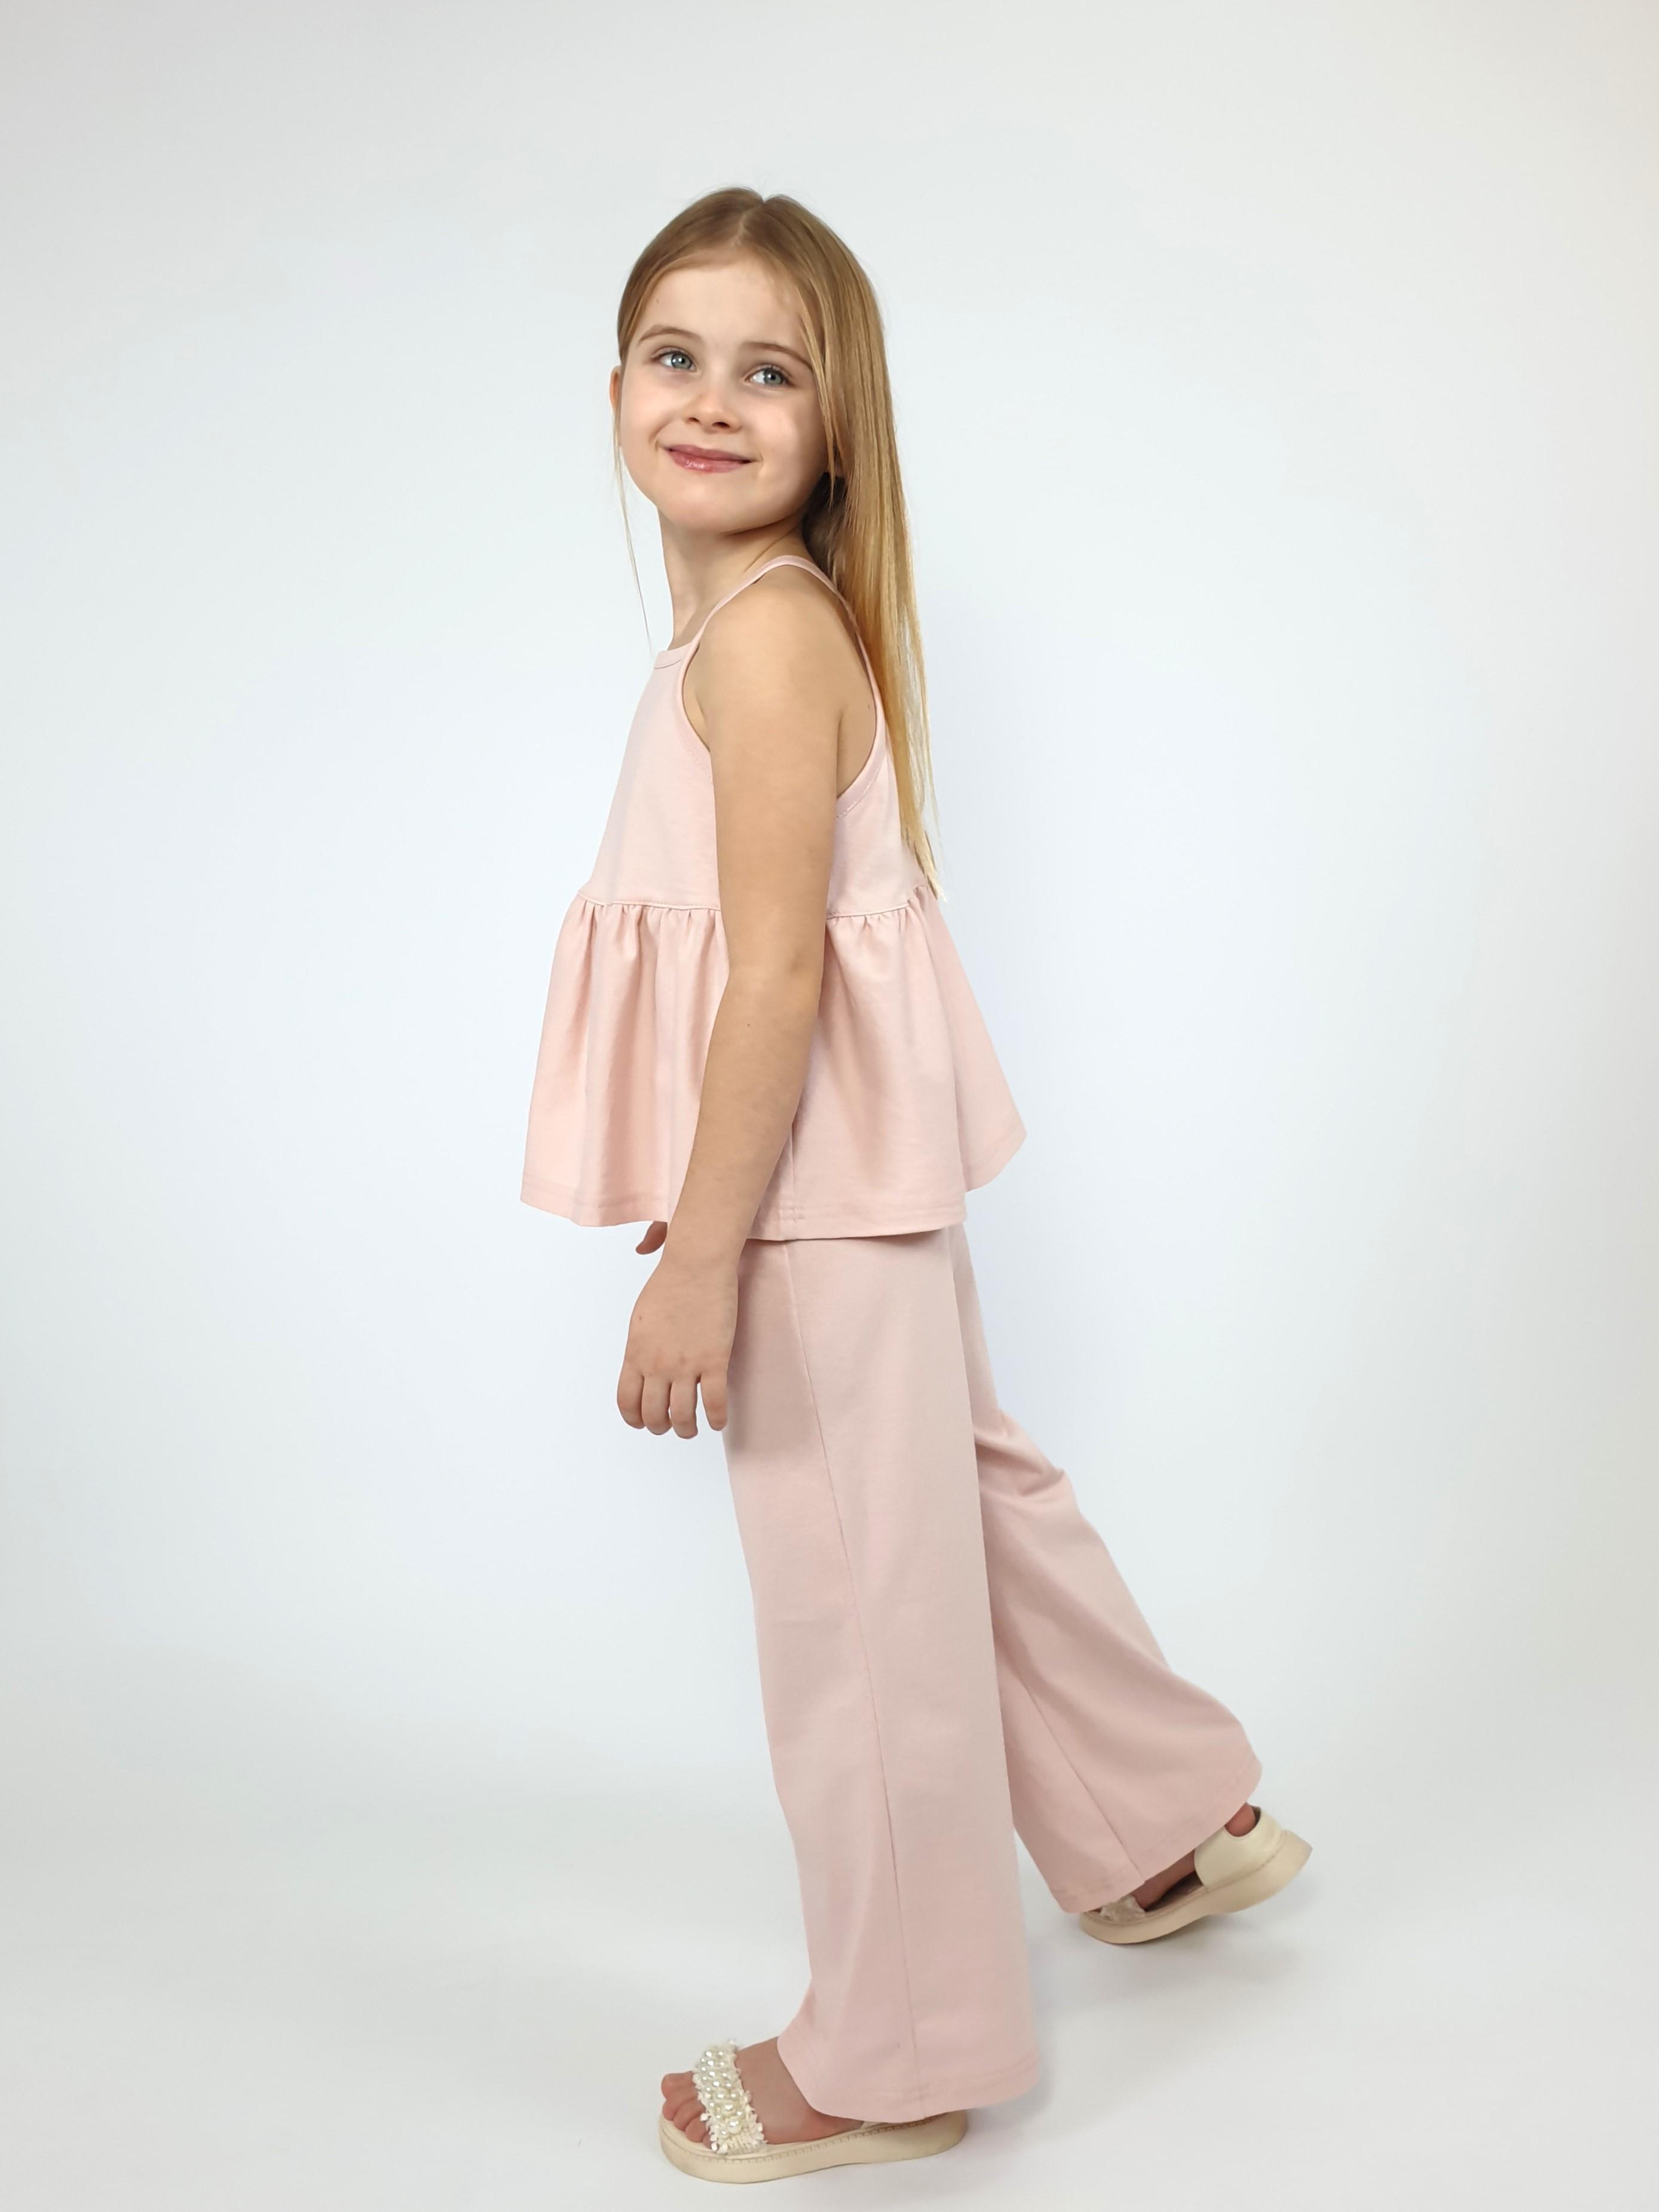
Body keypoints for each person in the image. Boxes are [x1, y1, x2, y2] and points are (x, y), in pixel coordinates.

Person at [520, 186, 1311, 2186]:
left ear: (836, 428)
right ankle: (1161, 1822)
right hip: (850, 1184)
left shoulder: (768, 647)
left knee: (864, 1629)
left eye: (768, 371)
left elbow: (779, 975)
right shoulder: (746, 630)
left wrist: (703, 1256)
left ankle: (897, 2053)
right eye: (676, 357)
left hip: (811, 1211)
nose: (712, 401)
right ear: (614, 392)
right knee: (958, 1504)